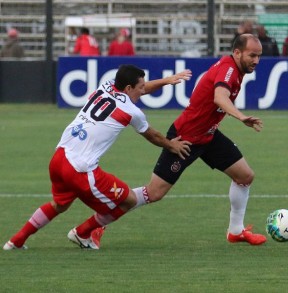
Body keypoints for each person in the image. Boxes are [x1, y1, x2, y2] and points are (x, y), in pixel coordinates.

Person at [88, 34, 267, 248]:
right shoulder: (228, 69)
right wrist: (241, 117)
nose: (256, 61)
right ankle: (98, 224)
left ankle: (236, 231)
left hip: (208, 135)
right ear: (237, 52)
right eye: (252, 55)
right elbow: (220, 97)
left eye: (259, 56)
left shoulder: (236, 70)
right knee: (153, 193)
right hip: (186, 138)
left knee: (245, 176)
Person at [3, 65, 192, 250]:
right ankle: (83, 232)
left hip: (59, 158)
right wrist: (171, 145)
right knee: (129, 201)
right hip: (80, 169)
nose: (144, 90)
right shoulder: (132, 112)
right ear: (128, 88)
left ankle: (15, 241)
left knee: (59, 204)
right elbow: (153, 135)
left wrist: (167, 81)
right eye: (141, 86)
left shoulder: (107, 85)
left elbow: (140, 90)